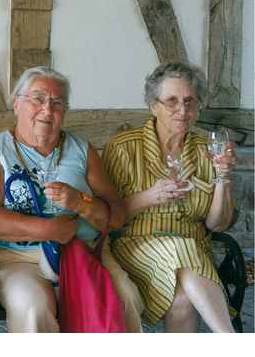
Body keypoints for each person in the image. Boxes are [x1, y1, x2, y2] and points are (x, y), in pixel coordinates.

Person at [0, 66, 126, 333]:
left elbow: (117, 217)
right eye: (37, 99)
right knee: (34, 307)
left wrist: (81, 203)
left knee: (125, 298)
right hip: (19, 258)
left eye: (57, 102)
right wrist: (48, 230)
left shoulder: (82, 149)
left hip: (85, 252)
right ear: (16, 104)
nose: (47, 109)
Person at [101, 61, 239, 333]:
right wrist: (148, 197)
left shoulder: (206, 150)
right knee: (180, 248)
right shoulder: (124, 147)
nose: (183, 109)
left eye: (190, 101)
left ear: (199, 105)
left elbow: (216, 225)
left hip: (196, 252)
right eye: (172, 101)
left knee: (183, 299)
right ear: (153, 105)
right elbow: (107, 217)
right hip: (137, 248)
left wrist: (222, 177)